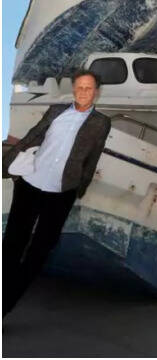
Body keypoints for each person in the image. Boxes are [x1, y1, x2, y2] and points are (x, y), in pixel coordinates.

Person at [2, 70, 111, 317]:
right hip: (30, 184)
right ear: (74, 89)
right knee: (11, 247)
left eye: (89, 88)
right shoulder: (55, 111)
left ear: (97, 92)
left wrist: (80, 186)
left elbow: (94, 156)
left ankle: (5, 306)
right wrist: (8, 164)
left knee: (39, 252)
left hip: (61, 192)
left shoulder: (101, 122)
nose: (84, 92)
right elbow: (33, 136)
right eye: (80, 87)